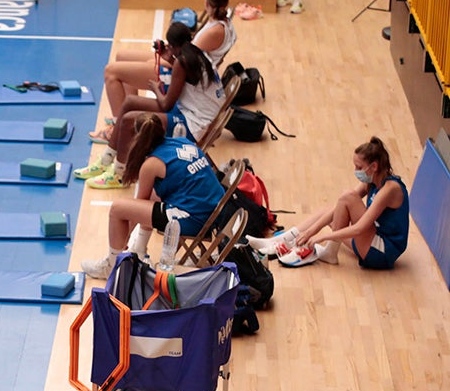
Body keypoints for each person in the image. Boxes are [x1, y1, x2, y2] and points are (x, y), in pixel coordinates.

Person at [75, 22, 224, 190]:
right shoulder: (197, 53)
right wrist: (169, 59)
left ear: (173, 46)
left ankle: (119, 174)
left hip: (194, 125)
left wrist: (155, 89)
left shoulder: (182, 63)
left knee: (130, 119)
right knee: (130, 102)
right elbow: (181, 84)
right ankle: (106, 160)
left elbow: (166, 104)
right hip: (195, 113)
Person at [81, 113, 226, 279]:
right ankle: (139, 250)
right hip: (216, 211)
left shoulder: (151, 164)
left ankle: (113, 266)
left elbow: (136, 210)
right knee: (153, 195)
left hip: (195, 219)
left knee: (117, 209)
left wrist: (125, 238)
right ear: (161, 130)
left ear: (137, 138)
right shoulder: (183, 141)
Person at [90, 0, 235, 144]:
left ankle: (117, 130)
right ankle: (130, 118)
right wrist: (168, 54)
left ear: (207, 3)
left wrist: (165, 59)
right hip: (188, 70)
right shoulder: (225, 25)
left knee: (111, 72)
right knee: (122, 56)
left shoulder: (213, 32)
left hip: (182, 77)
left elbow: (187, 60)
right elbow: (189, 54)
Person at [247, 137, 408, 268]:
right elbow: (340, 207)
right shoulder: (372, 180)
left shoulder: (390, 189)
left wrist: (321, 237)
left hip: (382, 252)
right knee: (332, 208)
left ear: (373, 166)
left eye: (359, 167)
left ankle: (328, 250)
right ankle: (285, 239)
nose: (356, 171)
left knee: (348, 196)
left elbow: (359, 228)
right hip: (370, 241)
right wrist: (310, 232)